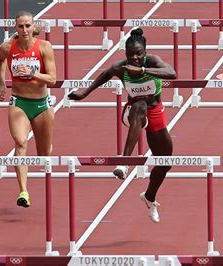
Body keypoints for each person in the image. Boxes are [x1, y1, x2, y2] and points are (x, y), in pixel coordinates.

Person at [68, 28, 176, 223]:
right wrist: (84, 93)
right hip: (132, 112)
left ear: (145, 52)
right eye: (131, 54)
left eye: (138, 54)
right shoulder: (120, 67)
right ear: (125, 54)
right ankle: (124, 163)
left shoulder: (152, 61)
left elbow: (172, 73)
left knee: (165, 163)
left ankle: (150, 198)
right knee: (140, 105)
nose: (134, 57)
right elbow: (104, 75)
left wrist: (142, 70)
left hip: (156, 112)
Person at [0, 11, 57, 207]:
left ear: (33, 27)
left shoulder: (45, 47)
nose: (24, 30)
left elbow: (53, 79)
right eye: (20, 26)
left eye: (28, 26)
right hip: (19, 102)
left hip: (41, 105)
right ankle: (23, 191)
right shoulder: (8, 47)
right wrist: (2, 83)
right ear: (16, 28)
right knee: (20, 143)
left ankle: (46, 149)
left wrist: (33, 73)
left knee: (43, 155)